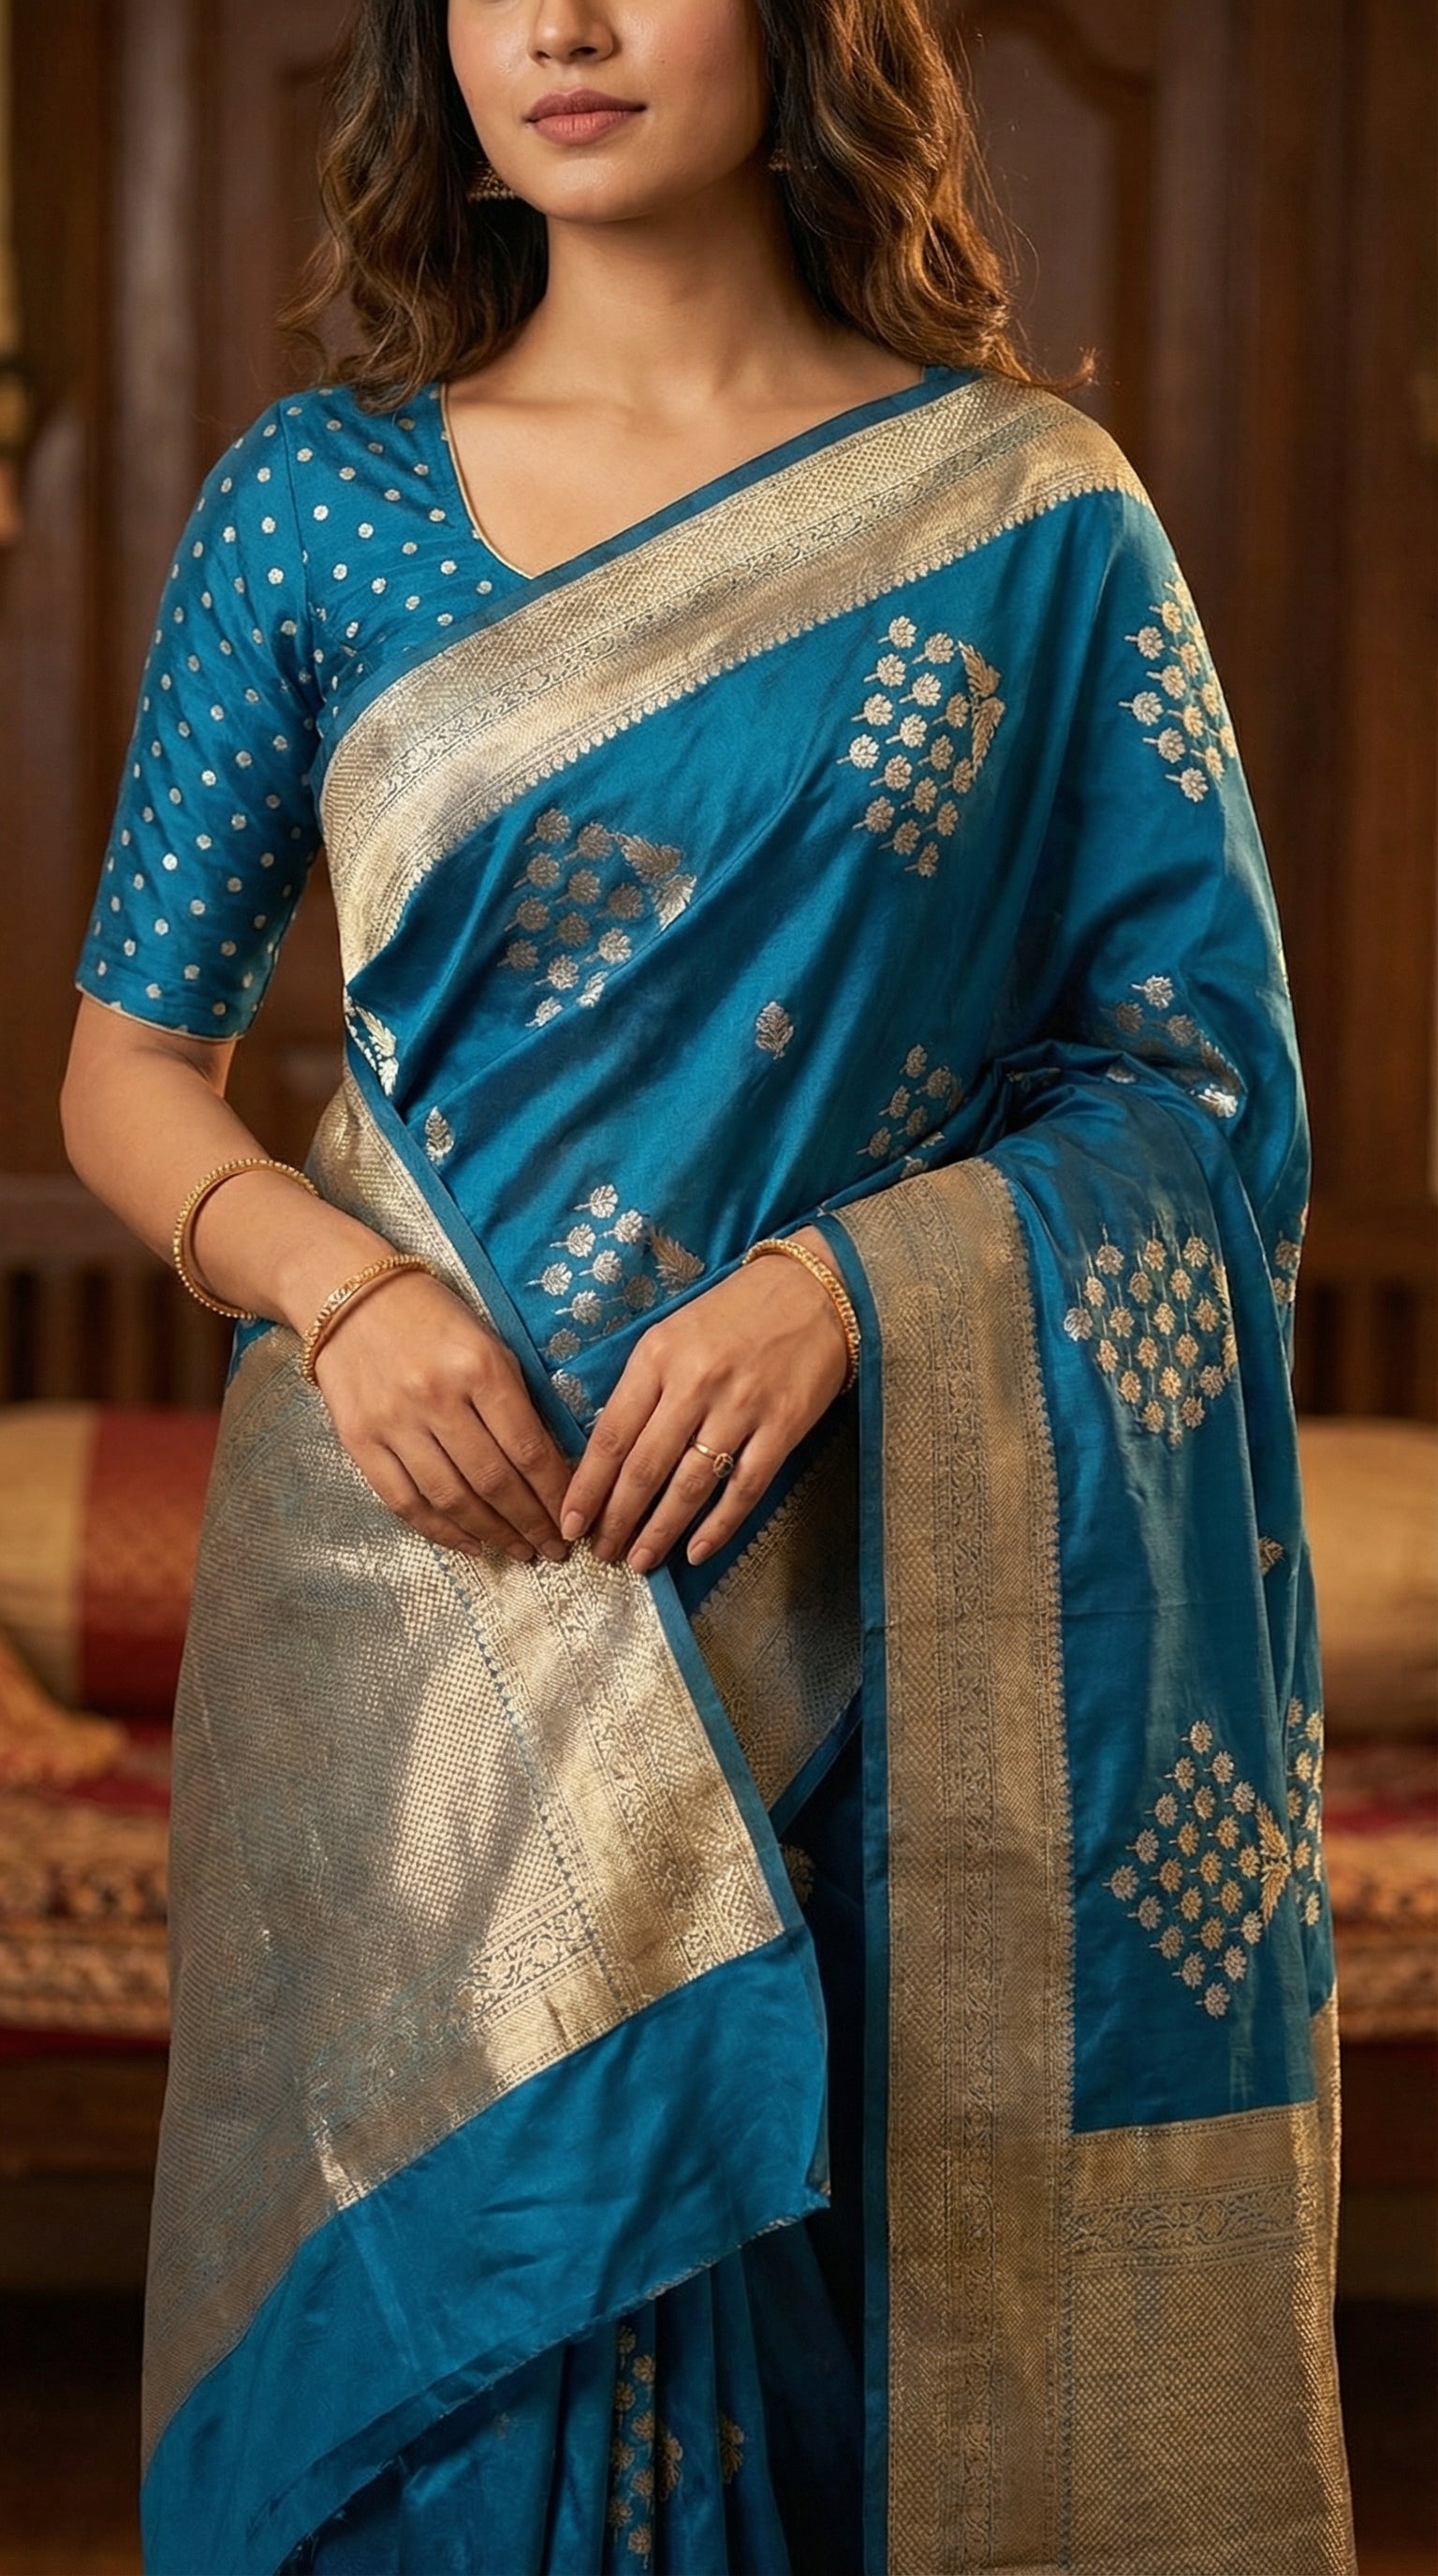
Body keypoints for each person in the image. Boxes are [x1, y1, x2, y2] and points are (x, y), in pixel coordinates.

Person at [60, 1, 1357, 2568]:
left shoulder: (1026, 514)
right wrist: (349, 1298)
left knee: (824, 2330)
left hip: (860, 1615)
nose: (558, 21)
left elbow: (1200, 1091)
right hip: (419, 1599)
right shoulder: (311, 508)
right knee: (437, 2378)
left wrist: (853, 1287)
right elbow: (124, 1074)